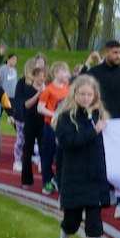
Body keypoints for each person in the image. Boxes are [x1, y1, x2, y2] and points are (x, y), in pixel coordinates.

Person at [51, 75, 111, 238]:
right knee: (71, 221)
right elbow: (68, 142)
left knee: (95, 223)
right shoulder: (66, 117)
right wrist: (93, 131)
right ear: (74, 93)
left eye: (89, 94)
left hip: (95, 176)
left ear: (95, 95)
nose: (86, 98)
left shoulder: (100, 116)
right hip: (74, 175)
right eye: (82, 94)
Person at [86, 40, 120, 220]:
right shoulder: (94, 74)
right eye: (115, 52)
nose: (118, 56)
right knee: (100, 160)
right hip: (100, 123)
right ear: (105, 53)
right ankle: (100, 196)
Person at [38, 62, 72, 195]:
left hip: (63, 126)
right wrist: (55, 114)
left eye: (67, 71)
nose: (66, 74)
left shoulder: (67, 88)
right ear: (55, 73)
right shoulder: (48, 89)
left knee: (62, 154)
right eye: (63, 71)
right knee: (49, 153)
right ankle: (46, 181)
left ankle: (58, 178)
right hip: (51, 125)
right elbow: (40, 108)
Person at [15, 63, 47, 188]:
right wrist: (38, 93)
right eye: (39, 76)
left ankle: (46, 180)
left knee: (44, 150)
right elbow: (26, 105)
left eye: (43, 76)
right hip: (30, 121)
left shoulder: (47, 89)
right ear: (33, 77)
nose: (41, 78)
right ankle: (26, 179)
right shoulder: (28, 88)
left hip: (42, 122)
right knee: (28, 150)